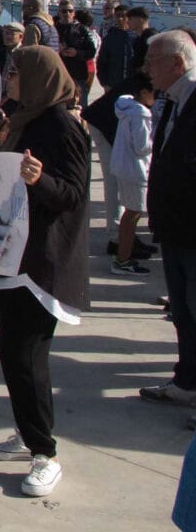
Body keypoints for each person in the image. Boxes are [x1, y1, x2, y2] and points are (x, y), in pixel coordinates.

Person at [0, 46, 89, 498]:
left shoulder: (62, 125)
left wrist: (38, 179)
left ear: (39, 77)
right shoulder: (23, 119)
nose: (8, 79)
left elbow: (74, 193)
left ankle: (46, 452)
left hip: (42, 260)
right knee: (12, 353)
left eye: (15, 72)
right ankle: (28, 433)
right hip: (13, 254)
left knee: (28, 356)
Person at [138, 32, 196, 411]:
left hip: (192, 228)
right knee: (183, 312)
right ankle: (187, 382)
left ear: (178, 63)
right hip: (175, 227)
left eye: (153, 61)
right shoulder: (174, 100)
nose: (147, 69)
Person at [110, 74, 156, 275]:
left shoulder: (126, 106)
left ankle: (123, 256)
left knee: (130, 213)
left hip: (123, 167)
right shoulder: (141, 113)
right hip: (135, 169)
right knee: (133, 214)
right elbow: (142, 147)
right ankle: (123, 260)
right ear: (144, 92)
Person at [57, 5, 97, 106]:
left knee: (80, 106)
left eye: (70, 11)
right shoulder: (54, 29)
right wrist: (58, 49)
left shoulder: (82, 30)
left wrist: (76, 52)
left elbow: (91, 51)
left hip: (78, 75)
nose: (67, 14)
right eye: (64, 11)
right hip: (59, 76)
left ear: (74, 13)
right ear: (59, 13)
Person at [96, 2, 134, 92]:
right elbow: (101, 62)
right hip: (113, 85)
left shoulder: (135, 36)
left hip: (132, 85)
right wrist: (104, 83)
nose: (120, 19)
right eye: (118, 16)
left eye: (123, 16)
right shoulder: (110, 37)